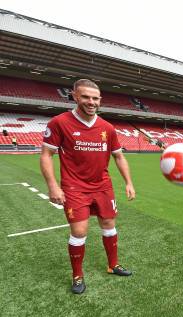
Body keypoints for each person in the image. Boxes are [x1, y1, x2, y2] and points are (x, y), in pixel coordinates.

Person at [40, 79, 136, 295]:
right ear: (75, 96)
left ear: (100, 100)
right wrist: (53, 186)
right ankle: (77, 275)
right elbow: (46, 155)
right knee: (79, 230)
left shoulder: (107, 127)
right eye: (85, 97)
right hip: (74, 187)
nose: (91, 102)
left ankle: (113, 265)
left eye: (95, 98)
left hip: (103, 186)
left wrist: (128, 182)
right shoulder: (59, 122)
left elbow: (119, 157)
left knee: (109, 224)